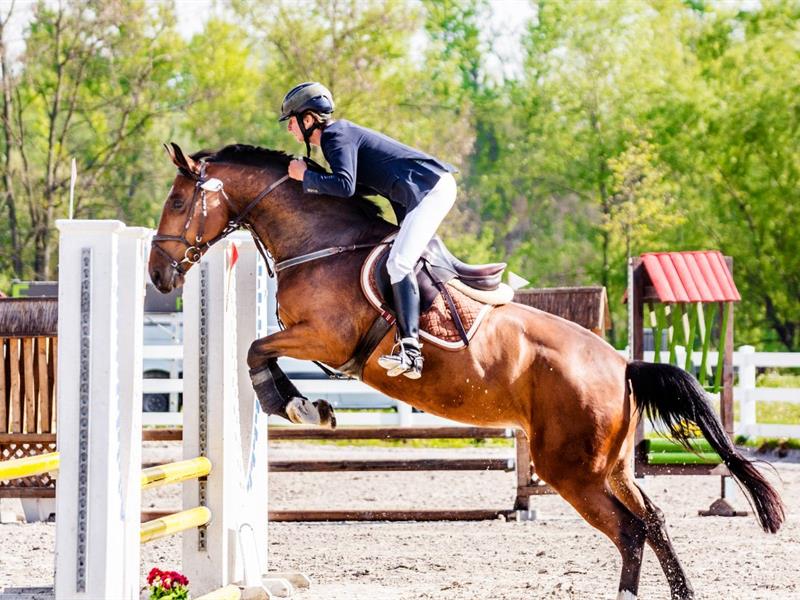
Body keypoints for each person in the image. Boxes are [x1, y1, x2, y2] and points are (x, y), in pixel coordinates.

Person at [280, 82, 457, 380]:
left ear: (309, 119)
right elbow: (356, 187)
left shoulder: (336, 135)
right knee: (399, 259)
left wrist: (305, 176)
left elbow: (345, 187)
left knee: (398, 263)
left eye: (292, 121)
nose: (290, 130)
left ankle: (411, 351)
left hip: (431, 189)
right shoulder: (337, 138)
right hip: (421, 193)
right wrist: (314, 177)